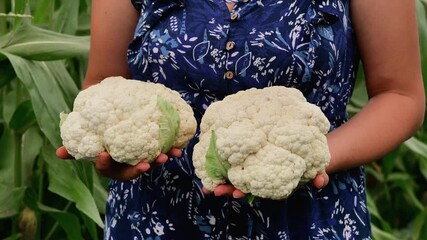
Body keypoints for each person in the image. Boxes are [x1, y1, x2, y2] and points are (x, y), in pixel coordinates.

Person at [56, 0, 425, 239]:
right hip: (154, 220)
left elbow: (400, 96)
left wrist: (311, 154)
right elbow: (105, 83)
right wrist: (111, 152)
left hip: (307, 221)